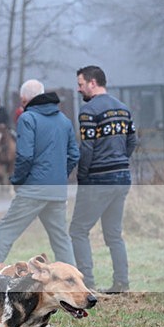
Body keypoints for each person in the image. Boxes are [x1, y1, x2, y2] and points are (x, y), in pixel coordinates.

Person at [0, 79, 79, 265]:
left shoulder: (27, 119)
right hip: (57, 191)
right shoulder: (64, 120)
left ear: (23, 99)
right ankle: (75, 286)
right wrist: (60, 176)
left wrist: (18, 180)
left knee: (3, 233)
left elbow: (25, 156)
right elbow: (74, 155)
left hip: (34, 189)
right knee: (61, 241)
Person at [69, 66, 137, 294]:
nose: (78, 89)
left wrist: (83, 175)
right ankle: (122, 283)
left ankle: (87, 284)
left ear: (93, 82)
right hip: (122, 177)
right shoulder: (124, 108)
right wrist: (120, 161)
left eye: (80, 84)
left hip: (98, 179)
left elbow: (87, 147)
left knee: (78, 230)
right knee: (114, 234)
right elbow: (132, 141)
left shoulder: (88, 111)